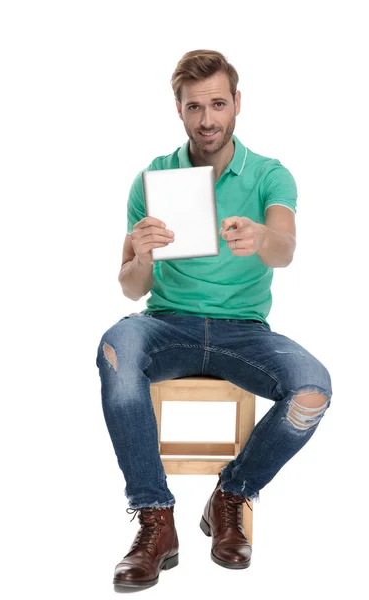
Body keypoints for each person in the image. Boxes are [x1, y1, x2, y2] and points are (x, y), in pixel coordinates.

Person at [96, 49, 332, 591]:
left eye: (218, 104)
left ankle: (232, 494)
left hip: (242, 333)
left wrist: (261, 238)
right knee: (115, 347)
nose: (208, 120)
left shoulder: (271, 174)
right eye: (195, 107)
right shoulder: (153, 178)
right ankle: (156, 522)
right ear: (179, 110)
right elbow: (131, 284)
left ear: (237, 104)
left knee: (314, 388)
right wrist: (142, 255)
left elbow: (285, 249)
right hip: (166, 326)